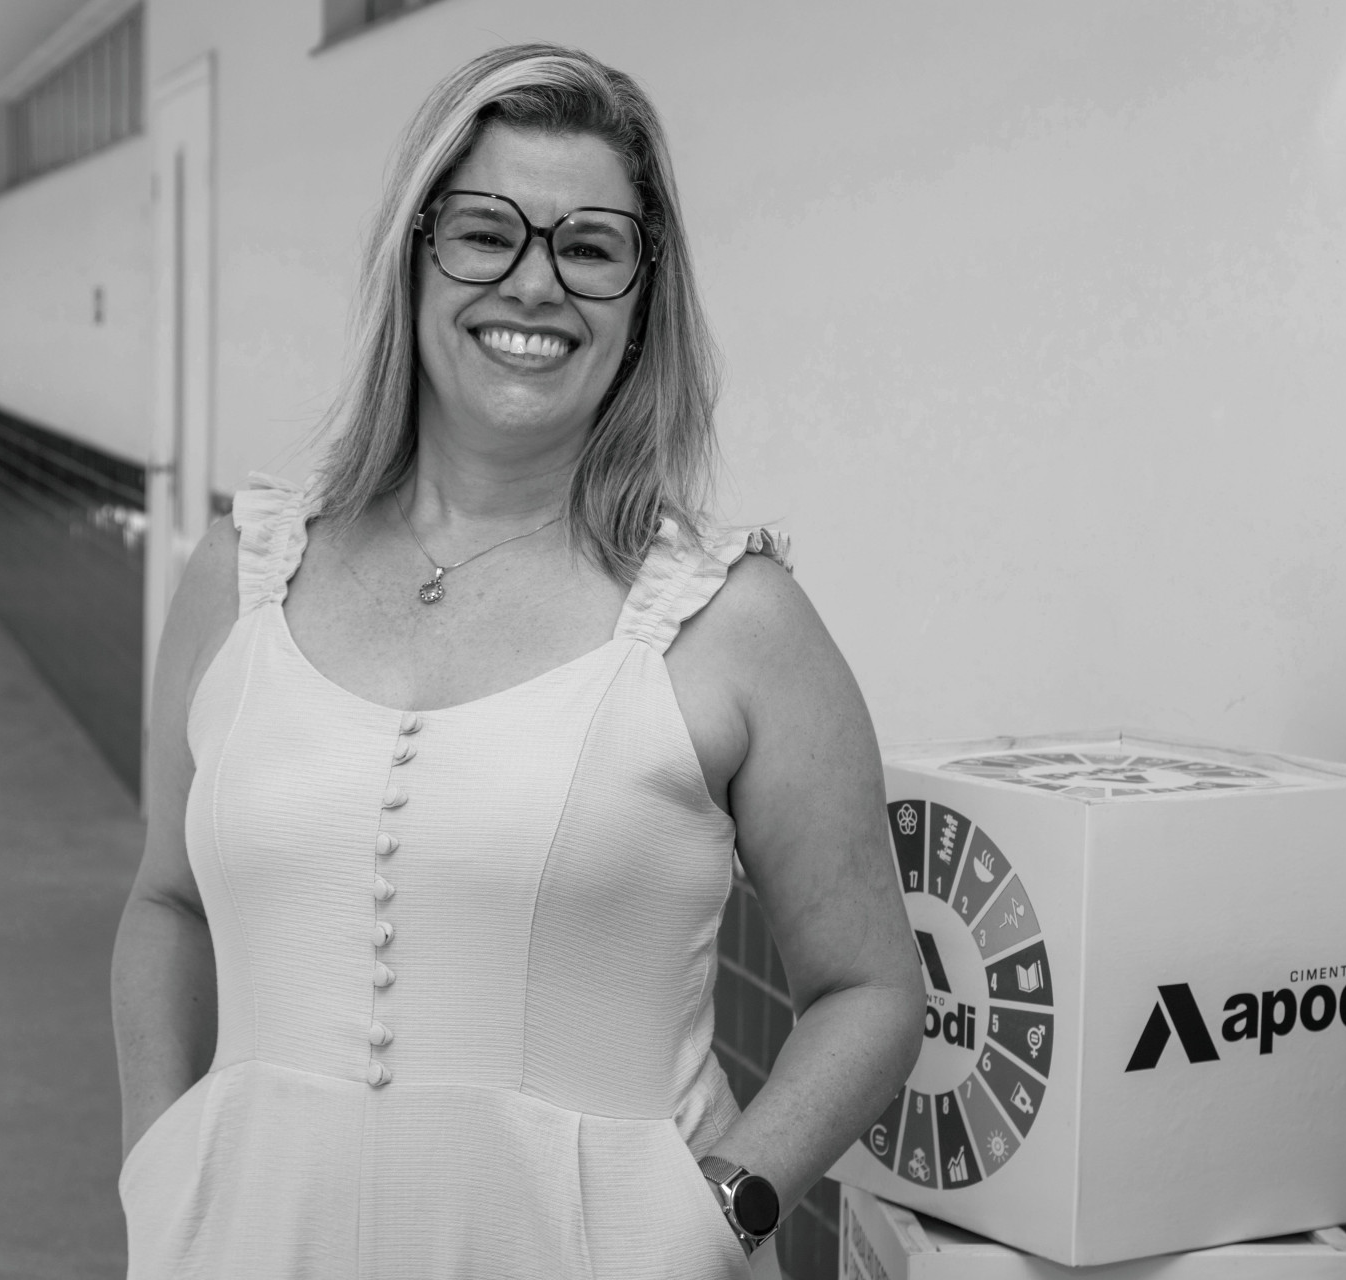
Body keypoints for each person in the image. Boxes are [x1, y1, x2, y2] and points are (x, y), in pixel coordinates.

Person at [110, 42, 924, 1279]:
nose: (535, 285)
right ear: (415, 253)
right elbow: (166, 903)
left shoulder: (731, 617)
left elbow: (870, 990)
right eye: (487, 232)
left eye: (590, 248)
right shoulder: (245, 572)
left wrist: (720, 1212)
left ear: (644, 294)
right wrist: (159, 1172)